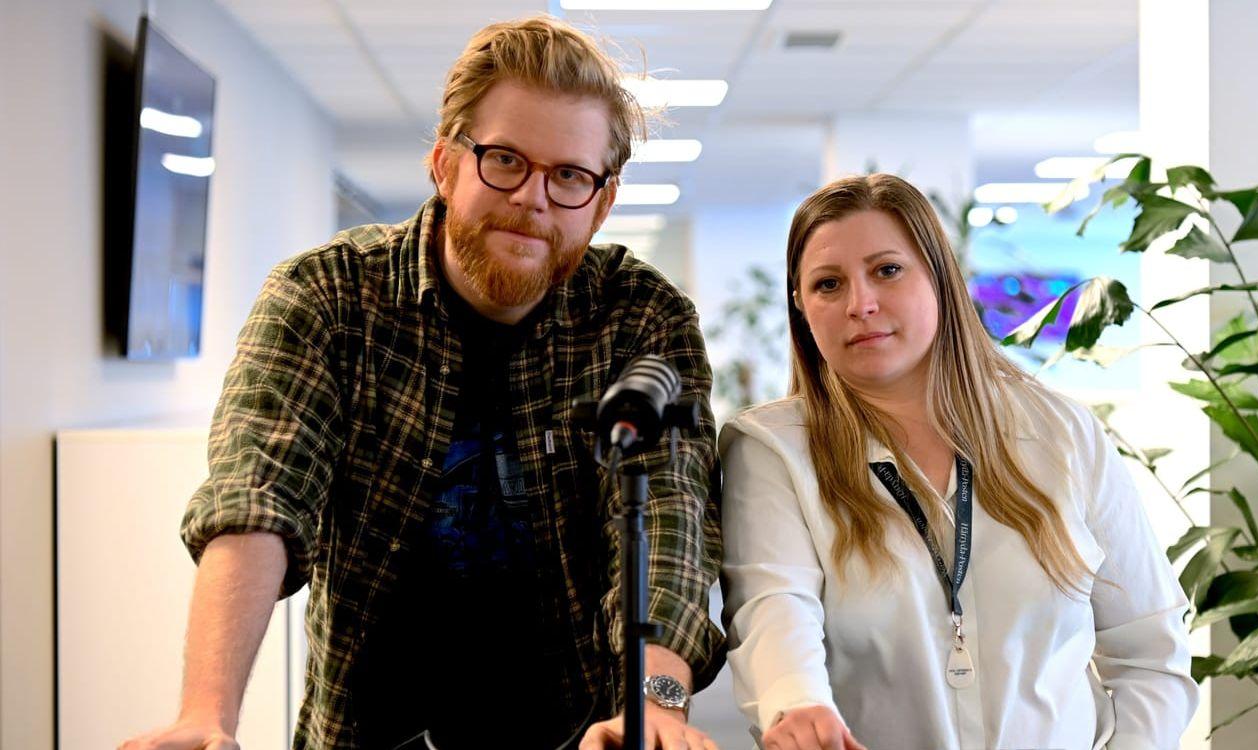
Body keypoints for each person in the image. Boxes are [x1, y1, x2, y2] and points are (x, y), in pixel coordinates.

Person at [120, 16, 723, 750]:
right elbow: (259, 496)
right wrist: (206, 713)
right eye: (505, 160)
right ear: (445, 164)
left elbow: (669, 520)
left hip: (585, 732)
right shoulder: (328, 298)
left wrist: (656, 705)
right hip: (366, 731)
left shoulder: (641, 316)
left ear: (602, 202)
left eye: (569, 175)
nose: (533, 197)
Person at [719, 174, 1198, 750]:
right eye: (828, 284)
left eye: (887, 270)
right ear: (801, 307)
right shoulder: (774, 449)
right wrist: (797, 705)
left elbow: (1150, 653)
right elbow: (775, 608)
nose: (860, 304)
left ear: (940, 277)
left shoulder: (1061, 433)